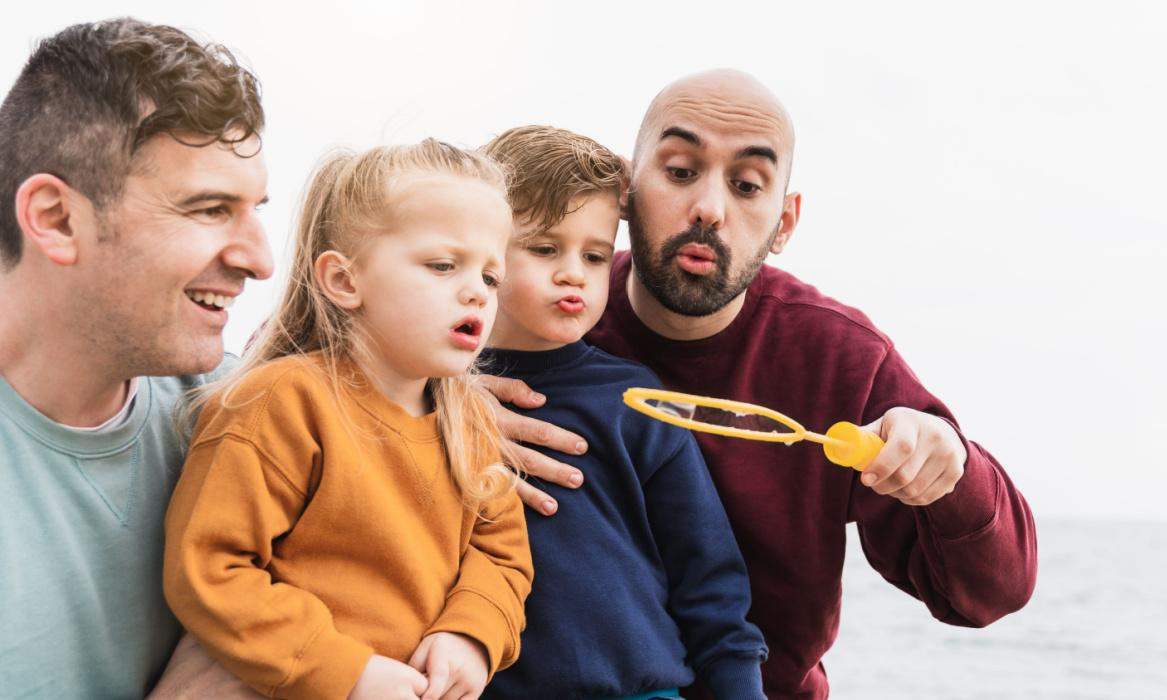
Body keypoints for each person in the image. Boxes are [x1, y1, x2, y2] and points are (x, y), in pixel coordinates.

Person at [487, 70, 1039, 700]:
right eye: (678, 170)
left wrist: (952, 470)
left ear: (785, 222)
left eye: (748, 185)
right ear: (625, 189)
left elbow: (989, 593)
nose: (709, 209)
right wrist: (434, 401)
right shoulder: (521, 310)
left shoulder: (842, 360)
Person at [161, 141, 534, 699]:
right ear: (344, 281)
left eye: (490, 278)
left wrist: (471, 634)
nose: (475, 293)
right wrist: (345, 671)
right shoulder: (282, 402)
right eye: (442, 265)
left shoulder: (470, 423)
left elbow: (502, 554)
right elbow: (210, 568)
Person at [0, 18, 272, 698]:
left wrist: (444, 421)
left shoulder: (230, 408)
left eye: (255, 210)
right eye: (210, 209)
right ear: (58, 219)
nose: (260, 260)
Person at [478, 126, 767, 700]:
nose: (573, 274)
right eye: (543, 248)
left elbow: (706, 573)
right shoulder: (422, 390)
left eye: (594, 255)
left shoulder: (635, 399)